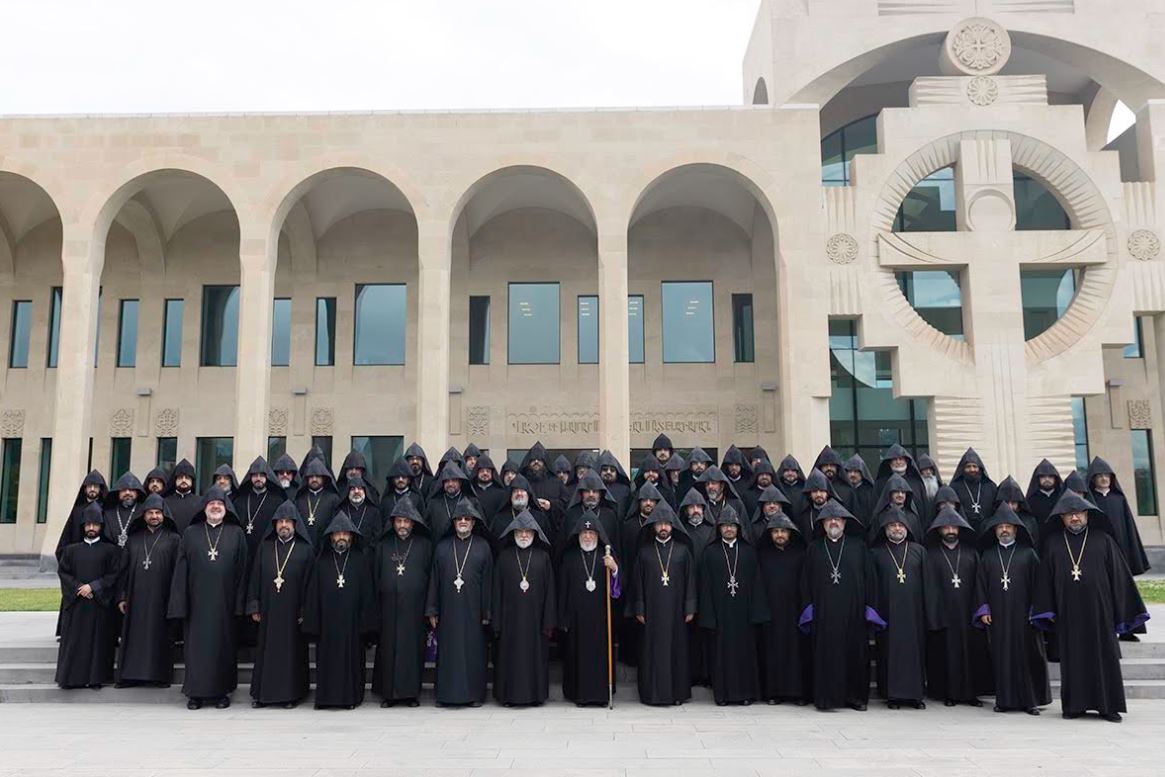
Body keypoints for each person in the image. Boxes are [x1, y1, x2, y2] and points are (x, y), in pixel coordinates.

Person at [1032, 491, 1150, 722]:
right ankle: (1075, 706)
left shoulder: (1103, 540)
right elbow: (1045, 580)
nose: (1074, 518)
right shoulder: (1053, 543)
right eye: (1069, 514)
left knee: (1104, 657)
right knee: (1073, 659)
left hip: (1100, 612)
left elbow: (1119, 577)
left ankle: (1108, 706)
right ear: (1062, 517)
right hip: (1068, 613)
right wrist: (1048, 609)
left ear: (1087, 514)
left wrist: (1121, 608)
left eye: (1078, 513)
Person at [167, 487, 248, 709]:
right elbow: (181, 570)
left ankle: (222, 693)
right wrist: (180, 603)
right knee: (196, 650)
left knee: (223, 648)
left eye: (219, 504)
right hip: (196, 604)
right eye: (211, 504)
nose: (215, 507)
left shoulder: (236, 533)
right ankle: (195, 694)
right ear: (204, 508)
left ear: (226, 508)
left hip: (225, 604)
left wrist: (240, 604)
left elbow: (242, 571)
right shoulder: (191, 533)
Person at [798, 499, 877, 711]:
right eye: (829, 519)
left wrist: (869, 609)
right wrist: (808, 611)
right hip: (824, 615)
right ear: (822, 523)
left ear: (845, 522)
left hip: (854, 613)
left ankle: (855, 698)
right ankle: (826, 699)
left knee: (855, 655)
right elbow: (805, 582)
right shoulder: (814, 548)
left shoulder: (858, 547)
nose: (834, 522)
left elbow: (870, 579)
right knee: (827, 657)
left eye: (838, 519)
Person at [974, 503, 1050, 715]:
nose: (1004, 530)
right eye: (1000, 527)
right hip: (998, 617)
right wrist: (984, 609)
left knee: (1028, 657)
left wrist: (1036, 610)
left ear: (1016, 529)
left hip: (1025, 617)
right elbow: (980, 585)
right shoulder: (988, 556)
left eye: (1008, 526)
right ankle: (1004, 700)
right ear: (995, 530)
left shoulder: (1029, 554)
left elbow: (1039, 585)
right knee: (1002, 657)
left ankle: (1030, 701)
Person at [303, 513, 377, 710]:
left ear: (351, 536)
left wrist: (366, 626)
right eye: (337, 534)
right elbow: (313, 595)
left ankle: (350, 698)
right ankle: (325, 699)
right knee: (327, 661)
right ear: (331, 537)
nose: (341, 537)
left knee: (351, 662)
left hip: (352, 625)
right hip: (327, 625)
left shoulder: (360, 560)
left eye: (345, 533)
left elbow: (367, 594)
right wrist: (313, 624)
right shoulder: (321, 561)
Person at [426, 498, 494, 707]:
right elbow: (434, 580)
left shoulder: (483, 547)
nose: (463, 522)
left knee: (473, 653)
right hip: (448, 611)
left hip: (474, 612)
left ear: (473, 523)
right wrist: (432, 609)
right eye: (459, 519)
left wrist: (487, 611)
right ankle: (445, 696)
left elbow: (488, 582)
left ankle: (474, 695)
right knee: (448, 653)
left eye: (467, 519)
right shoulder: (442, 547)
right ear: (453, 523)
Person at [246, 501, 314, 709]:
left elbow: (310, 584)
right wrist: (255, 605)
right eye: (280, 522)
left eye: (288, 522)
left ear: (295, 524)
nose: (284, 525)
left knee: (291, 652)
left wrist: (305, 610)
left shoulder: (305, 549)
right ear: (274, 524)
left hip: (293, 613)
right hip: (268, 609)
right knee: (267, 651)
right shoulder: (265, 546)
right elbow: (255, 577)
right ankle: (263, 695)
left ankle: (290, 695)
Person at [698, 506, 768, 706]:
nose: (729, 529)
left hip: (744, 615)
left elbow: (757, 584)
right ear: (719, 528)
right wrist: (708, 616)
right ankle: (722, 695)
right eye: (725, 526)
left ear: (739, 528)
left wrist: (757, 614)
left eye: (732, 526)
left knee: (744, 654)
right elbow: (705, 587)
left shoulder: (749, 552)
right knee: (721, 656)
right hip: (720, 615)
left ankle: (745, 694)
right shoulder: (710, 553)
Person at [631, 501, 697, 706]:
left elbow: (690, 580)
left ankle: (677, 694)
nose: (663, 528)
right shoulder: (644, 552)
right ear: (653, 527)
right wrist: (639, 607)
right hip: (651, 612)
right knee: (652, 652)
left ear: (672, 526)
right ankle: (652, 694)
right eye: (659, 524)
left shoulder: (683, 551)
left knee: (676, 651)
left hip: (677, 611)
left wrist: (690, 607)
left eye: (667, 524)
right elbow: (637, 582)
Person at [924, 505, 989, 707]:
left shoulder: (971, 553)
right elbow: (929, 587)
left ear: (960, 529)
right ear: (939, 530)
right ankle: (949, 693)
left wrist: (980, 609)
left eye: (954, 527)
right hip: (944, 614)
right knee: (947, 654)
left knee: (971, 654)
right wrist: (934, 614)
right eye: (946, 527)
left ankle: (971, 694)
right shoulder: (931, 554)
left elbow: (980, 583)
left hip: (968, 613)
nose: (950, 530)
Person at [372, 497, 434, 708]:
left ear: (413, 523)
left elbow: (431, 578)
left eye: (406, 521)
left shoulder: (425, 545)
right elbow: (376, 577)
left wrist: (429, 608)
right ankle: (388, 695)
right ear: (393, 522)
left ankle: (411, 694)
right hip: (388, 609)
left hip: (415, 609)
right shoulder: (383, 545)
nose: (402, 525)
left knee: (412, 652)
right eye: (399, 521)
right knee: (388, 651)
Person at [492, 510, 557, 707]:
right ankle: (508, 696)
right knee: (509, 658)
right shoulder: (504, 557)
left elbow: (550, 592)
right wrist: (496, 622)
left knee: (534, 659)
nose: (523, 535)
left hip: (536, 623)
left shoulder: (543, 557)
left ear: (535, 534)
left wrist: (549, 622)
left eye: (528, 531)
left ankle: (536, 696)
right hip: (509, 622)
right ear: (513, 533)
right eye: (519, 531)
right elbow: (496, 591)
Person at [869, 506, 931, 710]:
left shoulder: (919, 551)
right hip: (887, 613)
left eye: (900, 525)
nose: (897, 528)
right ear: (885, 529)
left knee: (915, 654)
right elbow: (873, 585)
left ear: (907, 528)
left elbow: (928, 584)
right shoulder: (876, 553)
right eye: (892, 525)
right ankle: (892, 695)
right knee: (889, 653)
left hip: (914, 613)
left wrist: (929, 613)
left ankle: (915, 696)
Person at [115, 494, 181, 688]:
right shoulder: (133, 539)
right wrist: (122, 596)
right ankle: (130, 676)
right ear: (143, 515)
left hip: (162, 599)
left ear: (164, 515)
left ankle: (159, 677)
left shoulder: (174, 539)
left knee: (159, 637)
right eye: (150, 513)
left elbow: (178, 572)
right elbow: (123, 571)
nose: (154, 516)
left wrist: (175, 599)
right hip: (135, 599)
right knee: (134, 637)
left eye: (157, 513)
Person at [558, 511, 621, 707]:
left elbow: (617, 590)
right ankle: (579, 695)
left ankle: (602, 696)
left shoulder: (607, 556)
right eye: (584, 533)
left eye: (591, 533)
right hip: (576, 618)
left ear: (598, 535)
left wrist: (614, 569)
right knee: (577, 656)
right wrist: (563, 618)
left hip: (602, 618)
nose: (587, 536)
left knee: (600, 657)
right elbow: (563, 589)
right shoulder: (569, 557)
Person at [55, 504, 121, 689]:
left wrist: (93, 586)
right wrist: (79, 588)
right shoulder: (70, 550)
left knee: (98, 643)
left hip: (99, 605)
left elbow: (113, 575)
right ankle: (72, 679)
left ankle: (95, 679)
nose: (91, 528)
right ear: (83, 527)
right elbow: (64, 573)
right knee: (75, 642)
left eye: (95, 525)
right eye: (88, 525)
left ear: (101, 526)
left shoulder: (111, 550)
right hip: (76, 605)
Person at [756, 510, 809, 705]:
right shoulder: (763, 556)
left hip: (795, 612)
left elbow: (806, 584)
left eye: (783, 531)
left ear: (790, 533)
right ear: (770, 534)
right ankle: (773, 693)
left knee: (797, 653)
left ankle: (798, 693)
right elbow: (758, 585)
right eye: (776, 531)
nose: (779, 535)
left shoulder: (800, 554)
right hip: (771, 612)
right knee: (772, 652)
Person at [1087, 457, 1151, 582]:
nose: (1104, 478)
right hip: (1098, 545)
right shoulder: (1089, 500)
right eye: (1100, 476)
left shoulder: (1119, 499)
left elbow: (1128, 525)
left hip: (1121, 544)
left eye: (1107, 475)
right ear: (1093, 479)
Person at [679, 488, 714, 687]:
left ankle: (708, 674)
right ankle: (691, 674)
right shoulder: (680, 533)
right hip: (685, 591)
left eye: (698, 506)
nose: (695, 510)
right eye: (691, 507)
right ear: (685, 510)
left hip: (707, 589)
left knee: (707, 634)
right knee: (689, 635)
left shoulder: (711, 531)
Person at [564, 469, 621, 560]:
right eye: (587, 491)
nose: (591, 494)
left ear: (600, 494)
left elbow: (616, 547)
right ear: (581, 493)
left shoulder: (609, 515)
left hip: (603, 562)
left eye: (595, 491)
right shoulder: (571, 514)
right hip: (576, 562)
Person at [873, 444, 928, 517]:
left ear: (907, 461)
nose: (898, 462)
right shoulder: (880, 484)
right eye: (895, 459)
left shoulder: (917, 484)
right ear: (889, 462)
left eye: (901, 459)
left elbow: (924, 509)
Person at [948, 448, 997, 530]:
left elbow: (995, 510)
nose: (972, 469)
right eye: (968, 467)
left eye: (974, 466)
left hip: (986, 529)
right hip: (964, 529)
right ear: (963, 469)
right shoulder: (954, 487)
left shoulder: (990, 486)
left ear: (980, 468)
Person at [295, 459, 340, 547]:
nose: (314, 479)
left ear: (324, 478)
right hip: (303, 545)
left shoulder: (333, 499)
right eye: (311, 477)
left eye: (317, 476)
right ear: (307, 479)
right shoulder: (299, 500)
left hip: (325, 545)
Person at [425, 461, 473, 542]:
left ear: (460, 482)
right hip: (439, 545)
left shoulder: (471, 502)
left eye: (454, 480)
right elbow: (427, 530)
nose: (450, 484)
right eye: (447, 481)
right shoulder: (433, 503)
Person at [334, 476, 382, 546]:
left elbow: (377, 536)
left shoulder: (374, 512)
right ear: (348, 492)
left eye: (360, 488)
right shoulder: (340, 511)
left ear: (365, 491)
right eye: (352, 489)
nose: (356, 492)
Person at [103, 472, 146, 548]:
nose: (127, 493)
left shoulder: (144, 511)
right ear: (118, 492)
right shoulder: (109, 513)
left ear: (137, 492)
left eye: (131, 490)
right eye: (123, 490)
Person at [812, 446, 855, 512]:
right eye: (825, 465)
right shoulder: (812, 490)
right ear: (820, 467)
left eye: (832, 465)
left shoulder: (847, 491)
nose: (829, 468)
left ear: (837, 467)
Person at [1025, 458, 1063, 531]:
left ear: (1055, 478)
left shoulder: (1061, 497)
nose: (1047, 479)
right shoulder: (1031, 500)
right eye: (1043, 476)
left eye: (1050, 476)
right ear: (1037, 479)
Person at [164, 459, 201, 533]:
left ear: (192, 481)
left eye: (187, 478)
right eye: (180, 477)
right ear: (175, 481)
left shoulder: (200, 502)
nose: (183, 480)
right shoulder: (165, 502)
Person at [469, 454, 509, 521]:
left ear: (492, 473)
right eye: (482, 471)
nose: (485, 473)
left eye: (488, 471)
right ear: (477, 472)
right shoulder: (471, 493)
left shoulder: (501, 494)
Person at [844, 454, 876, 527]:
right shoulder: (843, 491)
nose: (852, 474)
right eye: (850, 471)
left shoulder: (870, 492)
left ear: (862, 473)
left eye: (856, 471)